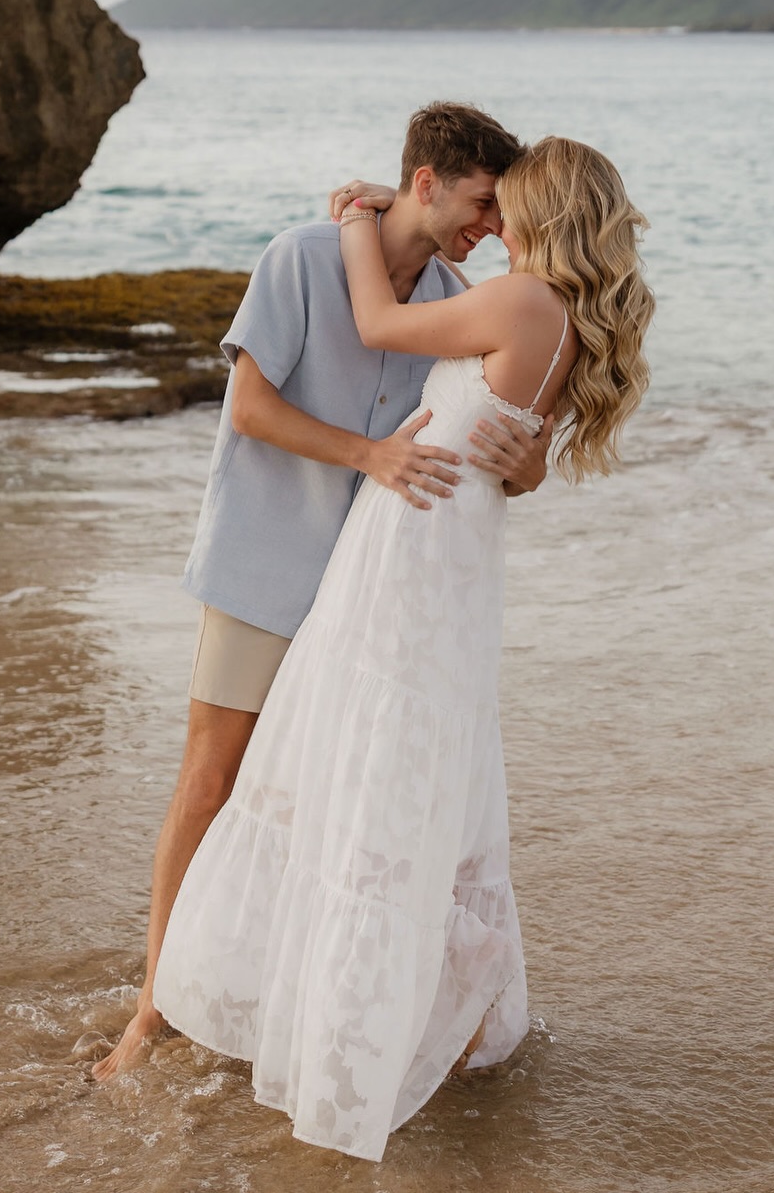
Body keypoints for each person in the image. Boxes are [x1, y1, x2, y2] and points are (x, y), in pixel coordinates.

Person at [151, 137, 654, 1160]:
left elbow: (380, 325)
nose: (492, 220)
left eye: (505, 205)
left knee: (363, 789)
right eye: (482, 201)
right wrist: (526, 466)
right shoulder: (536, 310)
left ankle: (333, 1026)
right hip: (426, 566)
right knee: (386, 790)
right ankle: (395, 1017)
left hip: (410, 568)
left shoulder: (512, 301)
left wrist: (350, 215)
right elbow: (508, 445)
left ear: (540, 211)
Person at [92, 103, 551, 1082]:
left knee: (320, 802)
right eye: (479, 201)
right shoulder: (302, 256)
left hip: (369, 599)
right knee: (213, 781)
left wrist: (528, 463)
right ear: (425, 180)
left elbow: (492, 441)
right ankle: (152, 1006)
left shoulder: (458, 294)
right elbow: (251, 406)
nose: (489, 226)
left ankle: (266, 992)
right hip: (266, 563)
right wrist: (368, 453)